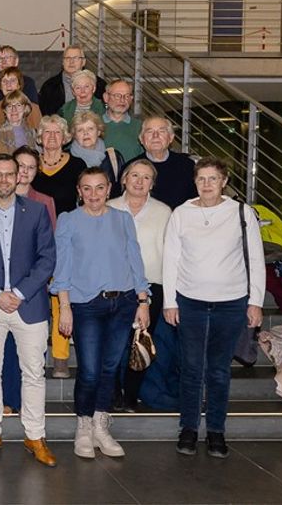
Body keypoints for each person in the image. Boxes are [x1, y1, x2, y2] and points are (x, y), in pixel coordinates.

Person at [162, 157, 264, 458]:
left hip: (231, 303)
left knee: (219, 370)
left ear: (224, 181)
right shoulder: (181, 214)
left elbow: (255, 260)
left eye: (213, 179)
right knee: (191, 368)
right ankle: (189, 429)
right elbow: (171, 260)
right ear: (195, 182)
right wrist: (170, 301)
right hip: (190, 300)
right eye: (202, 179)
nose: (207, 184)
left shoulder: (242, 213)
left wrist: (255, 301)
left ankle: (216, 431)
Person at [0, 155, 58, 467]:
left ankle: (35, 436)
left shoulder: (37, 212)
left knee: (33, 373)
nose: (4, 180)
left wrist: (17, 293)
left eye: (10, 174)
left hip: (28, 304)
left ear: (19, 177)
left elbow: (47, 259)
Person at [52, 168, 150, 460]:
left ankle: (101, 424)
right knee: (91, 370)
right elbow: (62, 267)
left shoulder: (122, 219)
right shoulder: (68, 220)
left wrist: (143, 301)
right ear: (79, 191)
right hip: (86, 305)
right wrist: (65, 307)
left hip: (123, 304)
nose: (93, 194)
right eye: (87, 188)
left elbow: (135, 260)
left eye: (99, 188)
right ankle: (83, 426)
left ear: (109, 189)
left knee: (110, 368)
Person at [107, 159, 172, 411]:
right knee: (113, 343)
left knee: (141, 343)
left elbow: (169, 252)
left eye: (146, 177)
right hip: (114, 286)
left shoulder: (164, 211)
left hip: (152, 286)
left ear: (152, 184)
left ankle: (132, 395)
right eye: (134, 175)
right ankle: (113, 392)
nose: (139, 181)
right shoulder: (108, 207)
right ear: (123, 179)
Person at [14, 146, 65, 379]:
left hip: (34, 284)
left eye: (31, 167)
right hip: (1, 284)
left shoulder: (45, 202)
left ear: (37, 172)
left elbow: (49, 245)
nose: (24, 171)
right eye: (20, 166)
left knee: (33, 351)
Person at [127, 115, 197, 209]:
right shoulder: (130, 168)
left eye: (162, 131)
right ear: (141, 139)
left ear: (171, 138)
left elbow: (197, 201)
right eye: (150, 131)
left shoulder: (188, 166)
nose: (155, 136)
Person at [32, 115, 87, 214]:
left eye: (57, 132)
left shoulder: (77, 165)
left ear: (64, 138)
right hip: (34, 223)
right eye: (47, 132)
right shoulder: (31, 164)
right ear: (40, 137)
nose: (52, 136)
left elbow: (85, 198)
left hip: (66, 224)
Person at [39, 45, 106, 117]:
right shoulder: (49, 86)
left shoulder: (99, 84)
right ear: (63, 62)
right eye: (67, 58)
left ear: (83, 62)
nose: (71, 62)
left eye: (75, 58)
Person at [70, 110, 125, 198]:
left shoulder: (113, 157)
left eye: (90, 129)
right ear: (74, 135)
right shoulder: (67, 160)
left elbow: (120, 190)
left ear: (99, 131)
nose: (86, 133)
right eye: (80, 130)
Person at [0, 67, 43, 133]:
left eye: (13, 81)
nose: (8, 85)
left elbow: (39, 136)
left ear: (19, 85)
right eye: (4, 81)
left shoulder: (33, 109)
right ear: (0, 87)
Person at [101, 78, 143, 161]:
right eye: (117, 95)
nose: (122, 100)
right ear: (106, 97)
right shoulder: (93, 125)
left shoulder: (140, 127)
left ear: (131, 99)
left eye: (127, 96)